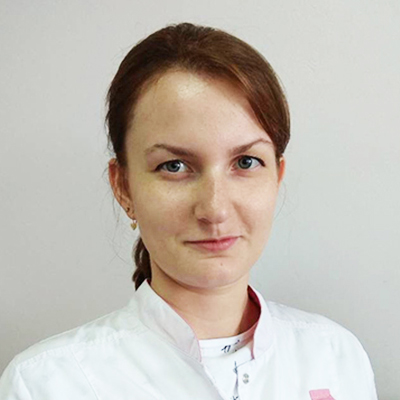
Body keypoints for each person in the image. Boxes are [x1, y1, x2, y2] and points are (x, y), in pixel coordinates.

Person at [0, 22, 378, 400]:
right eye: (174, 166)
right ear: (124, 186)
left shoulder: (335, 357)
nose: (214, 209)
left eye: (246, 162)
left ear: (277, 177)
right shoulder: (47, 383)